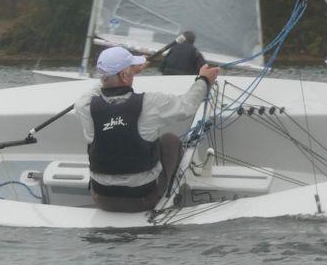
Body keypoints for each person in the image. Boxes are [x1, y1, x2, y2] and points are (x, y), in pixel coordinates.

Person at [74, 45, 219, 213]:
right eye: (130, 69)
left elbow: (104, 85)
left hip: (103, 199)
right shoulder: (151, 103)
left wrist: (126, 73)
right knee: (170, 140)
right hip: (143, 200)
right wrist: (204, 80)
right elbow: (187, 106)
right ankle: (169, 195)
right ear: (123, 75)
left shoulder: (84, 106)